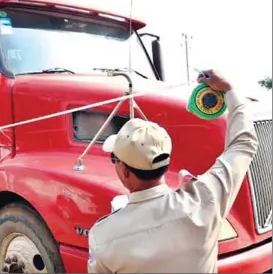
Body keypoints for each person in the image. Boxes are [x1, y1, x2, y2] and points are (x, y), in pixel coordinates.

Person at [87, 69, 259, 273]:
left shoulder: (103, 236)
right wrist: (229, 88)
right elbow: (243, 144)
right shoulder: (205, 200)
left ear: (124, 171)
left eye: (114, 159)